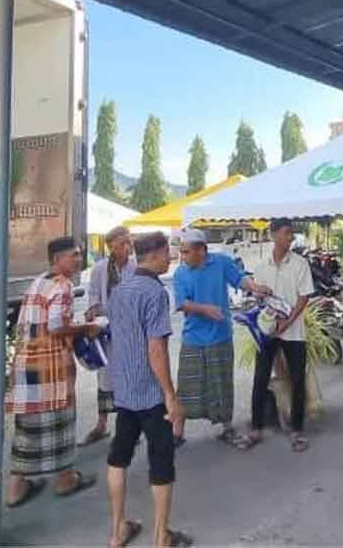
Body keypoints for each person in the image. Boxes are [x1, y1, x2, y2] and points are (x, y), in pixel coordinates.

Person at [106, 232, 192, 548]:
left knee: (118, 458)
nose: (170, 258)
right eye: (167, 253)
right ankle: (161, 536)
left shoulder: (119, 290)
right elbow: (156, 349)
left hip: (124, 390)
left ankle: (117, 531)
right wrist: (170, 395)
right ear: (153, 254)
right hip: (151, 394)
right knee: (161, 462)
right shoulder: (155, 292)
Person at [4, 236, 101, 506]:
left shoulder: (38, 282)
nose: (79, 260)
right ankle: (65, 480)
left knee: (28, 428)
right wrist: (87, 328)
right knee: (60, 424)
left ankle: (16, 488)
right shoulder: (62, 284)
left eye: (79, 254)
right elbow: (57, 325)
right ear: (57, 259)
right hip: (51, 367)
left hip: (26, 365)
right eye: (74, 255)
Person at [173, 228, 269, 448]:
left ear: (201, 250)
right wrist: (204, 309)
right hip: (193, 338)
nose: (182, 256)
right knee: (187, 386)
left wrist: (255, 287)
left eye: (186, 252)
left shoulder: (221, 262)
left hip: (220, 335)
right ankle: (177, 433)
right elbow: (182, 303)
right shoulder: (180, 273)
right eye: (181, 252)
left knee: (222, 384)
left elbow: (240, 280)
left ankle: (227, 428)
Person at [247, 218, 316, 453]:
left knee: (297, 379)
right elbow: (258, 299)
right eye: (286, 233)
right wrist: (259, 299)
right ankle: (255, 428)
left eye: (291, 233)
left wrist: (287, 322)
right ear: (273, 235)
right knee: (260, 376)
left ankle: (297, 429)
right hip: (267, 331)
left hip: (294, 332)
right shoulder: (261, 267)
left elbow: (304, 297)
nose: (291, 237)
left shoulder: (300, 264)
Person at [83, 226, 137, 446]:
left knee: (129, 377)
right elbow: (93, 295)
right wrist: (93, 311)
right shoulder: (100, 269)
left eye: (128, 242)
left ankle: (128, 428)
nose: (127, 247)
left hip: (130, 330)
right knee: (105, 377)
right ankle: (101, 424)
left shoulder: (136, 267)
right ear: (111, 247)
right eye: (122, 243)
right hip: (106, 331)